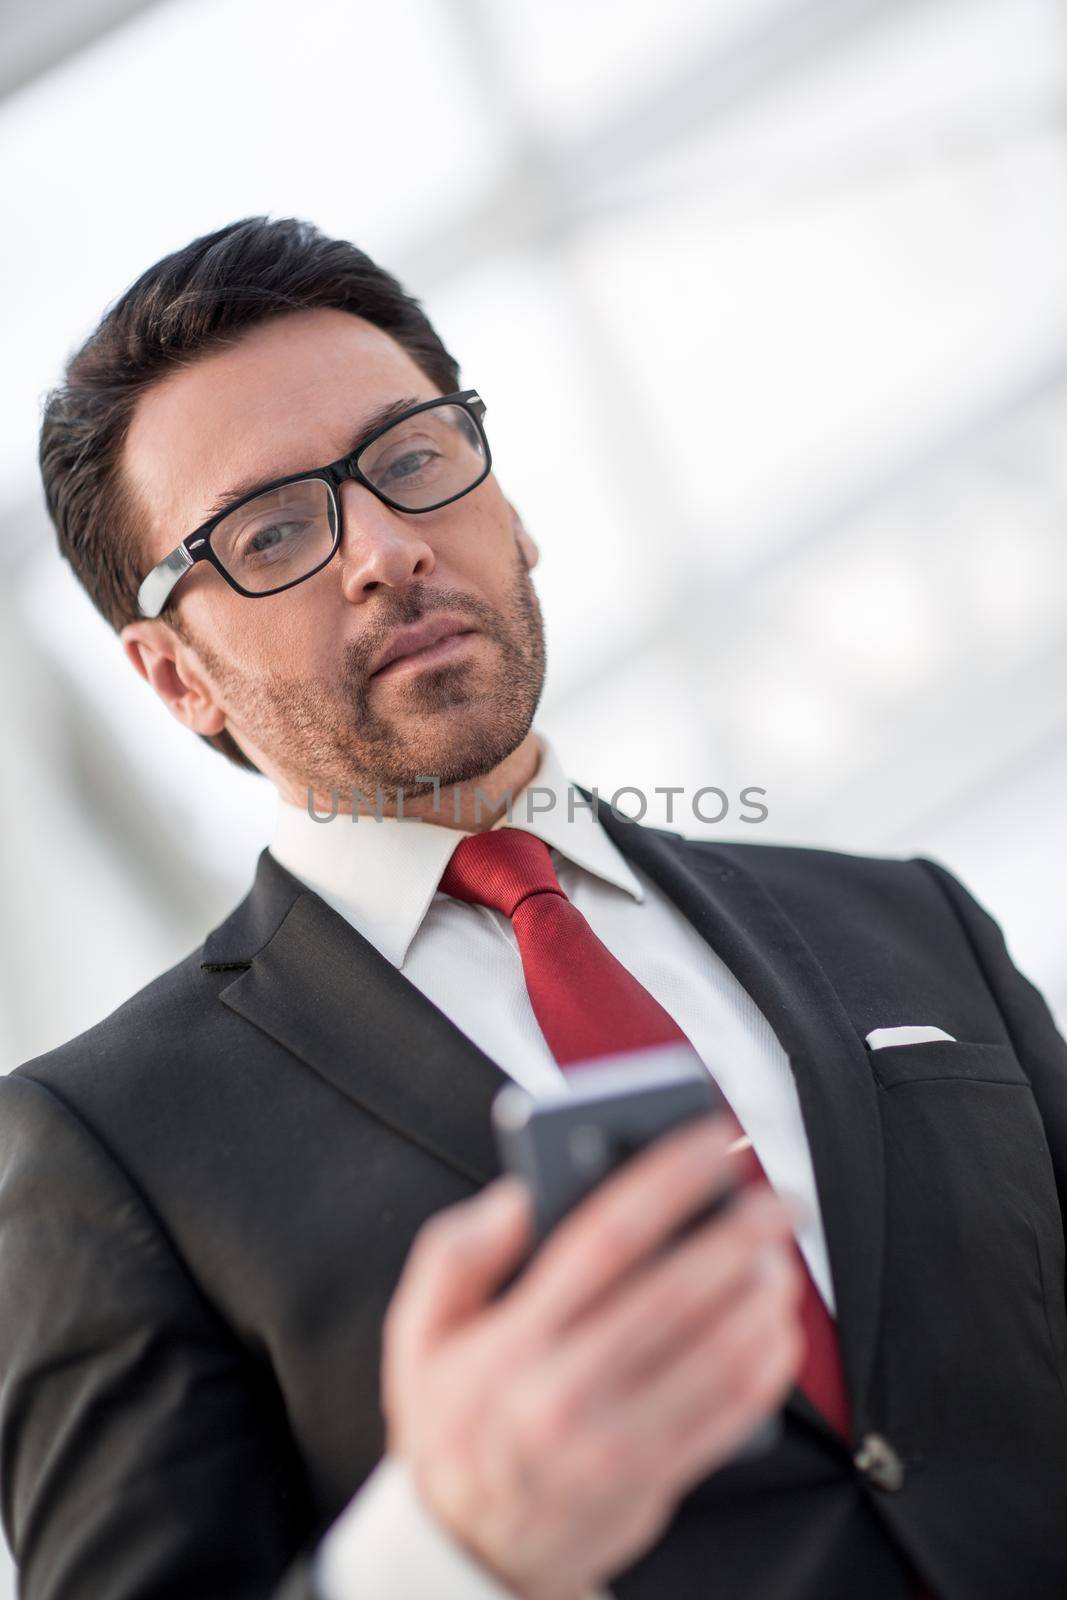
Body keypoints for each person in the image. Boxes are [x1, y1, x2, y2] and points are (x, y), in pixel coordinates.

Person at [1, 216, 1065, 1600]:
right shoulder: (108, 1153)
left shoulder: (915, 927)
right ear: (176, 680)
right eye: (269, 531)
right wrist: (447, 1556)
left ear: (510, 508)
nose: (383, 548)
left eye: (412, 460)